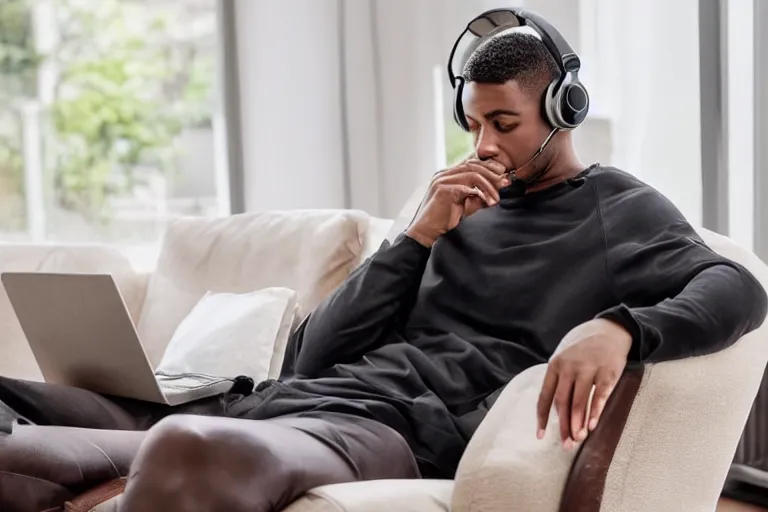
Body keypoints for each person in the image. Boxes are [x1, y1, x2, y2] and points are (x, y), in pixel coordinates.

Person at [1, 27, 766, 512]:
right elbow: (313, 354)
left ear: (562, 111)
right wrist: (416, 239)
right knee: (20, 437)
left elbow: (738, 287)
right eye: (471, 123)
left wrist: (619, 327)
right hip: (301, 401)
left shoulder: (616, 210)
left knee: (190, 448)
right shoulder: (451, 206)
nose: (484, 144)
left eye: (504, 123)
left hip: (393, 430)